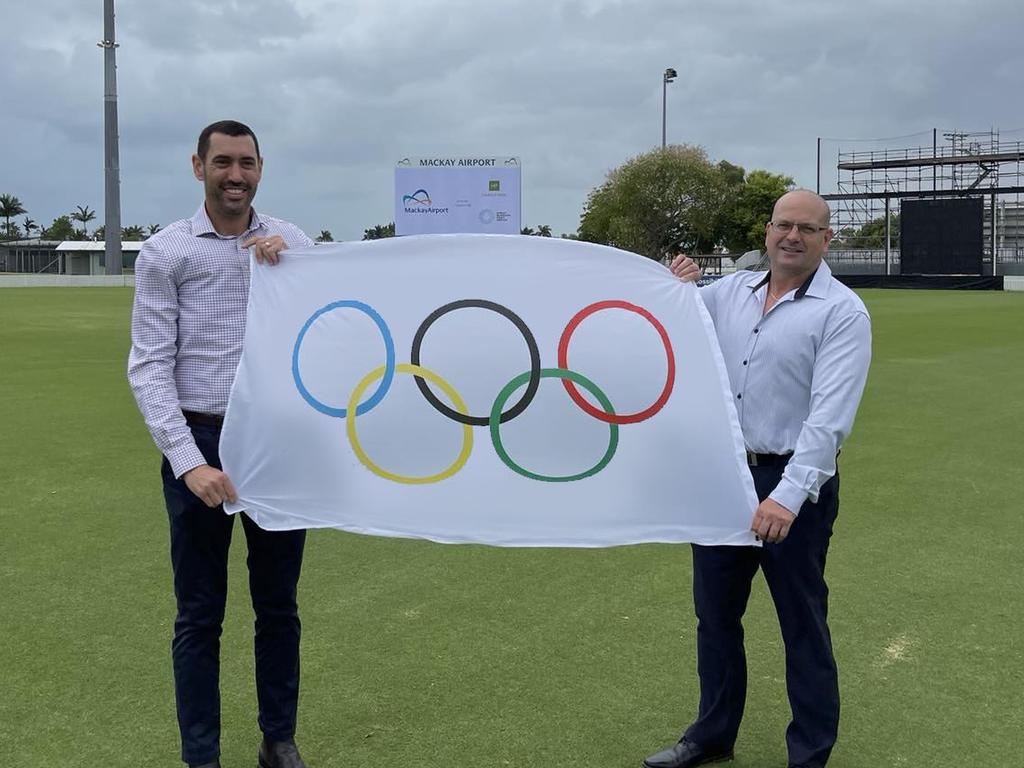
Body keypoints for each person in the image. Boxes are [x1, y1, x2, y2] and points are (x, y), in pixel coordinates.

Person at [644, 190, 872, 768]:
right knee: (715, 618)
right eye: (782, 225)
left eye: (806, 228)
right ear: (767, 232)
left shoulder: (842, 313)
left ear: (826, 239)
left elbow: (829, 420)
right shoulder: (726, 294)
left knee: (802, 623)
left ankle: (809, 755)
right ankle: (712, 735)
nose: (791, 236)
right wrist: (678, 281)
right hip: (724, 481)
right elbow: (676, 318)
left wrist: (787, 497)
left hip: (791, 482)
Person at [128, 120, 315, 768]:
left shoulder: (293, 242)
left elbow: (332, 325)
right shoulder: (166, 252)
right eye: (223, 163)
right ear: (198, 166)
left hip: (274, 443)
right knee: (200, 615)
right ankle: (200, 757)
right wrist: (189, 464)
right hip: (200, 438)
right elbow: (150, 366)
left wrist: (291, 266)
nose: (235, 175)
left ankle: (278, 740)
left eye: (247, 163)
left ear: (261, 168)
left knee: (279, 607)